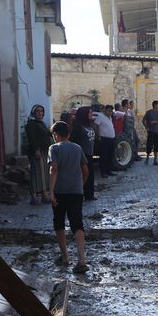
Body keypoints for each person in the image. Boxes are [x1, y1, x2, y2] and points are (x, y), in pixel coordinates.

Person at [48, 121, 89, 274]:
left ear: (56, 135)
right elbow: (85, 170)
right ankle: (81, 260)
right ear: (69, 134)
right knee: (77, 223)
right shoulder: (78, 148)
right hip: (76, 191)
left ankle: (65, 257)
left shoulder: (54, 148)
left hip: (60, 191)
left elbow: (54, 169)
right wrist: (80, 184)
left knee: (59, 222)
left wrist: (51, 191)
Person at [25, 105, 53, 205]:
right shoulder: (31, 124)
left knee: (44, 174)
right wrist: (36, 150)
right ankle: (34, 196)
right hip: (37, 152)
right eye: (37, 111)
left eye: (41, 111)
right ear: (33, 113)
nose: (40, 113)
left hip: (44, 151)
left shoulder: (41, 123)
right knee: (36, 174)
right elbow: (32, 139)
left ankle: (45, 195)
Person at [71, 106, 97, 200]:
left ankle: (89, 194)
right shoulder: (78, 126)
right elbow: (73, 140)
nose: (91, 114)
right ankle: (79, 194)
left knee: (90, 175)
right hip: (81, 155)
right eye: (89, 113)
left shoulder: (89, 125)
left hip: (89, 154)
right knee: (83, 175)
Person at [93, 105, 117, 177]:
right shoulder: (101, 116)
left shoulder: (110, 118)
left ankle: (108, 171)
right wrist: (98, 135)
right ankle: (103, 172)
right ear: (105, 110)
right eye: (108, 110)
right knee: (104, 156)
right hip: (104, 139)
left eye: (111, 111)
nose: (110, 112)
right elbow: (95, 125)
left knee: (110, 156)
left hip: (111, 139)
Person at [143, 100, 158, 166]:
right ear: (155, 105)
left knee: (156, 146)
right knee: (149, 145)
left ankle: (155, 161)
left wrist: (155, 122)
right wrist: (146, 127)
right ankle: (147, 158)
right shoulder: (149, 112)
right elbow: (143, 120)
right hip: (151, 131)